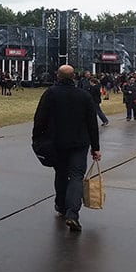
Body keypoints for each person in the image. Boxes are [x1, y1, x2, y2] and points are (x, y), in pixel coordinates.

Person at [32, 64, 100, 232]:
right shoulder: (84, 96)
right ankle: (72, 213)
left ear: (58, 76)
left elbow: (39, 118)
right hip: (79, 143)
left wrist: (37, 139)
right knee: (76, 176)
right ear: (74, 77)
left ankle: (61, 205)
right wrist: (95, 147)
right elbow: (93, 124)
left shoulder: (50, 94)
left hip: (57, 142)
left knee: (61, 174)